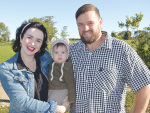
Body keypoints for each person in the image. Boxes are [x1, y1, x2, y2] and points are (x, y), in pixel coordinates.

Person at [69, 4, 150, 113]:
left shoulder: (121, 49)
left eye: (90, 23)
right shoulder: (70, 51)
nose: (85, 28)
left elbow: (144, 84)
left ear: (100, 22)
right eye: (80, 24)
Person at [0, 22, 70, 113]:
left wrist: (68, 93)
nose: (33, 44)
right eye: (29, 37)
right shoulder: (7, 68)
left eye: (38, 40)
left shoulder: (46, 57)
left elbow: (62, 71)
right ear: (21, 38)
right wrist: (58, 109)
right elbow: (22, 103)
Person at [47, 38, 76, 106]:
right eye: (56, 52)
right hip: (51, 88)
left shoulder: (66, 66)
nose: (60, 55)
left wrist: (71, 97)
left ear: (67, 53)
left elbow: (70, 82)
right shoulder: (52, 63)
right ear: (52, 54)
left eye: (63, 52)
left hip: (61, 89)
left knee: (50, 105)